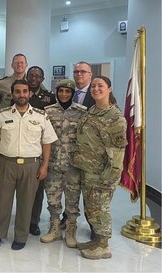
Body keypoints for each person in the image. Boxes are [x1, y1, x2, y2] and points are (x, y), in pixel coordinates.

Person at [0, 79, 57, 250]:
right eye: (17, 91)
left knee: (26, 204)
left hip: (31, 165)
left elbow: (47, 142)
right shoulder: (3, 115)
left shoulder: (41, 116)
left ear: (29, 93)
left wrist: (44, 166)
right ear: (12, 94)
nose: (21, 95)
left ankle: (21, 236)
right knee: (1, 202)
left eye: (24, 91)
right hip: (6, 164)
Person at [72, 76, 127, 259]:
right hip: (88, 170)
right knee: (91, 208)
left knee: (100, 209)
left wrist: (109, 178)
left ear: (109, 89)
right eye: (93, 86)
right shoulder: (92, 111)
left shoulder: (115, 117)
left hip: (102, 174)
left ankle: (104, 246)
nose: (96, 89)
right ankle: (97, 241)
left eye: (100, 86)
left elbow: (118, 152)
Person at [40, 79, 86, 248]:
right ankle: (54, 228)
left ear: (72, 93)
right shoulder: (47, 112)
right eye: (61, 91)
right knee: (53, 198)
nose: (64, 94)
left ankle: (71, 230)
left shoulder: (82, 112)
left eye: (67, 91)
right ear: (56, 93)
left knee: (73, 200)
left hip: (73, 166)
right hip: (52, 164)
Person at [60, 61, 96, 231]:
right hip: (69, 154)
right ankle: (67, 219)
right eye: (76, 71)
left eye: (83, 71)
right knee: (71, 190)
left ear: (90, 74)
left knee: (90, 195)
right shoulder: (68, 92)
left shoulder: (96, 92)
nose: (79, 74)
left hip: (90, 154)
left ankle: (94, 228)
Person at [26, 66, 56, 236]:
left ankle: (33, 221)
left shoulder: (49, 98)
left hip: (39, 149)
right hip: (21, 148)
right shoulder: (19, 93)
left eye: (38, 76)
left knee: (37, 190)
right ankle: (22, 217)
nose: (34, 78)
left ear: (43, 79)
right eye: (31, 75)